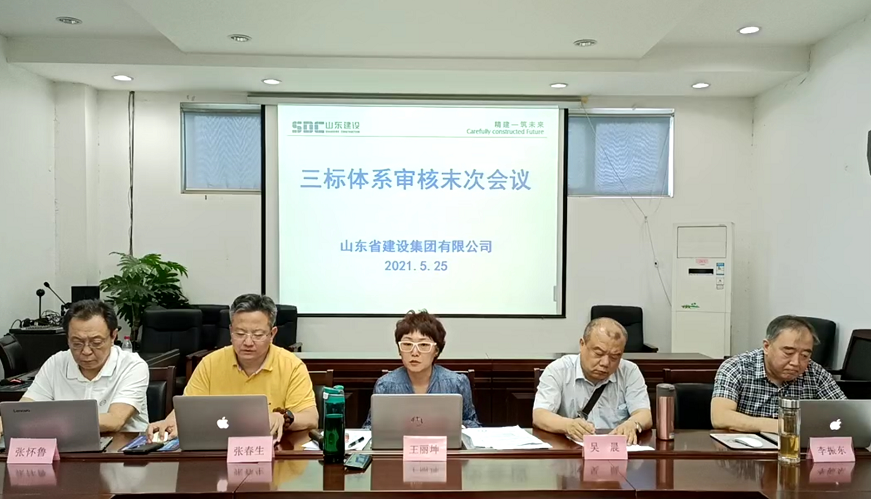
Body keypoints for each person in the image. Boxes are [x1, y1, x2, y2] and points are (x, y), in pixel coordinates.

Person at [147, 294, 318, 442]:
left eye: (258, 335)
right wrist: (168, 422)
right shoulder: (210, 363)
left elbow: (311, 417)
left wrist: (283, 418)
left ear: (272, 334)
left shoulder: (291, 365)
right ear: (230, 331)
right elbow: (187, 410)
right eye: (240, 333)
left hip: (274, 454)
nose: (248, 342)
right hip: (217, 452)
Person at [0, 299, 149, 434]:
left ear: (113, 336)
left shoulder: (132, 366)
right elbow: (24, 411)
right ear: (67, 338)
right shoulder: (56, 363)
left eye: (96, 343)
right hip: (65, 448)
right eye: (77, 343)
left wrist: (49, 421)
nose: (86, 351)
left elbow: (114, 421)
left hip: (120, 450)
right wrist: (6, 422)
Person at [711, 315, 845, 433]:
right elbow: (720, 417)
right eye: (788, 352)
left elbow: (845, 415)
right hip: (745, 449)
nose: (796, 362)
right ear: (767, 347)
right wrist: (784, 426)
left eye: (804, 355)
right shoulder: (737, 367)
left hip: (796, 449)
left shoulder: (816, 373)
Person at [533, 317, 652, 444]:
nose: (605, 363)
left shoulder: (629, 371)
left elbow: (644, 414)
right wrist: (568, 425)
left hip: (616, 449)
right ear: (582, 344)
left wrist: (632, 424)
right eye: (598, 353)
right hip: (572, 449)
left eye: (614, 356)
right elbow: (540, 415)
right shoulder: (558, 370)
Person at [363, 310, 480, 428]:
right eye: (407, 344)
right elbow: (370, 428)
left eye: (423, 345)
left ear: (436, 351)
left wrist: (462, 427)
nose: (414, 352)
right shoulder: (385, 385)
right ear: (399, 349)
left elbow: (473, 424)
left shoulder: (457, 383)